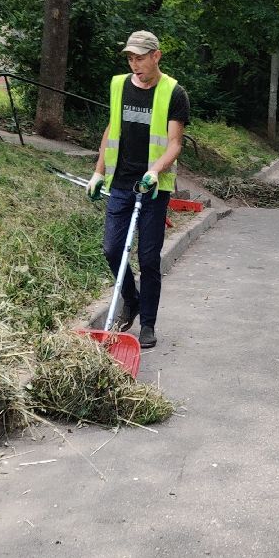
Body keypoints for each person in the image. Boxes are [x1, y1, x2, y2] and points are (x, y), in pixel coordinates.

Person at [87, 30, 189, 350]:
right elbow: (111, 129)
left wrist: (155, 171)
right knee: (112, 249)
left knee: (148, 258)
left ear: (156, 56)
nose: (135, 64)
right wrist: (98, 172)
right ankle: (130, 300)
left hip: (154, 188)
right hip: (120, 182)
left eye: (140, 57)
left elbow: (174, 144)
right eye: (130, 58)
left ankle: (147, 324)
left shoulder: (174, 92)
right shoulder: (119, 85)